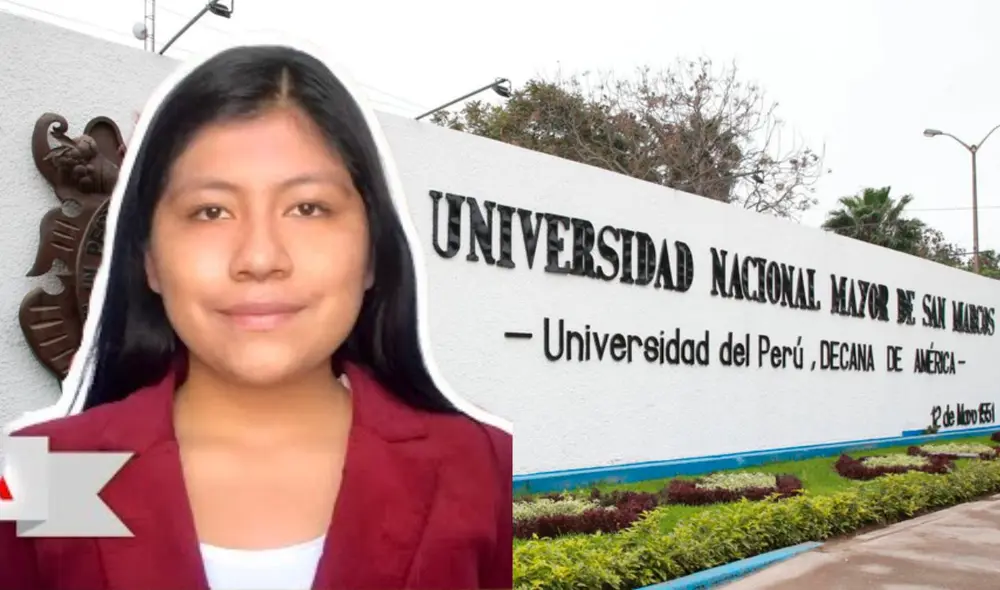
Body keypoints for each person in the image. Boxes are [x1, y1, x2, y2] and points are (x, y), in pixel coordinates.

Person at [0, 40, 512, 590]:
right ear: (148, 259)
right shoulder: (49, 468)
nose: (260, 258)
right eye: (211, 211)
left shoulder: (476, 466)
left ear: (373, 252)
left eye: (308, 208)